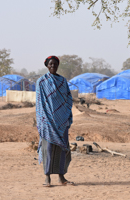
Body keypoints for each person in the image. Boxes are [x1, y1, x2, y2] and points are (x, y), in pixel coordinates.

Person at [36, 56, 75, 187]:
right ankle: (47, 177)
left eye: (55, 64)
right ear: (47, 65)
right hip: (47, 121)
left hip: (62, 122)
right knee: (48, 149)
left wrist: (66, 116)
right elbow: (39, 103)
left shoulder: (63, 81)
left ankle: (61, 176)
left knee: (62, 149)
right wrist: (43, 119)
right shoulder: (41, 82)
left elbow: (68, 99)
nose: (53, 66)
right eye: (50, 64)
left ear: (58, 65)